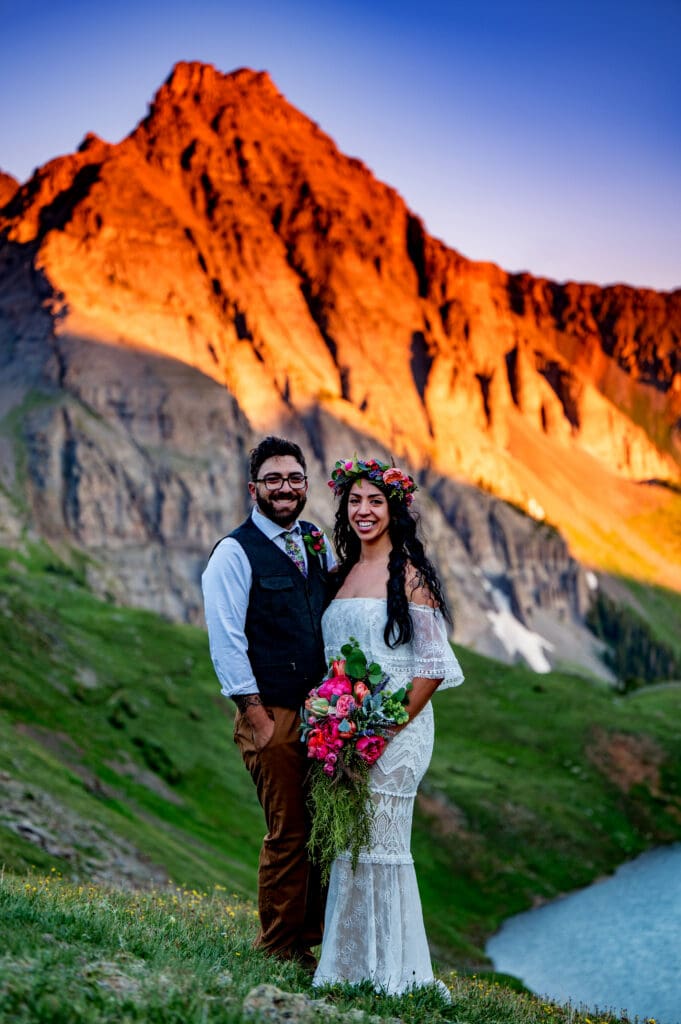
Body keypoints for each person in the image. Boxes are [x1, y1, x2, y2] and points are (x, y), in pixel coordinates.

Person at [312, 456, 464, 994]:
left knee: (383, 846)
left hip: (398, 731)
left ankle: (395, 975)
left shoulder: (411, 576)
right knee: (351, 846)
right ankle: (349, 969)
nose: (363, 510)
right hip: (346, 732)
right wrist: (335, 720)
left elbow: (431, 668)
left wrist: (384, 728)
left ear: (394, 508)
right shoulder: (341, 573)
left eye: (375, 501)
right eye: (354, 501)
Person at [201, 435, 335, 971]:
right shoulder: (234, 552)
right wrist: (256, 716)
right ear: (253, 488)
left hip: (322, 717)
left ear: (307, 485)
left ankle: (307, 941)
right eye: (273, 479)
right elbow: (226, 639)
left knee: (324, 827)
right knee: (289, 831)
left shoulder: (313, 542)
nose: (285, 488)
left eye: (295, 478)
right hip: (272, 713)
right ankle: (278, 949)